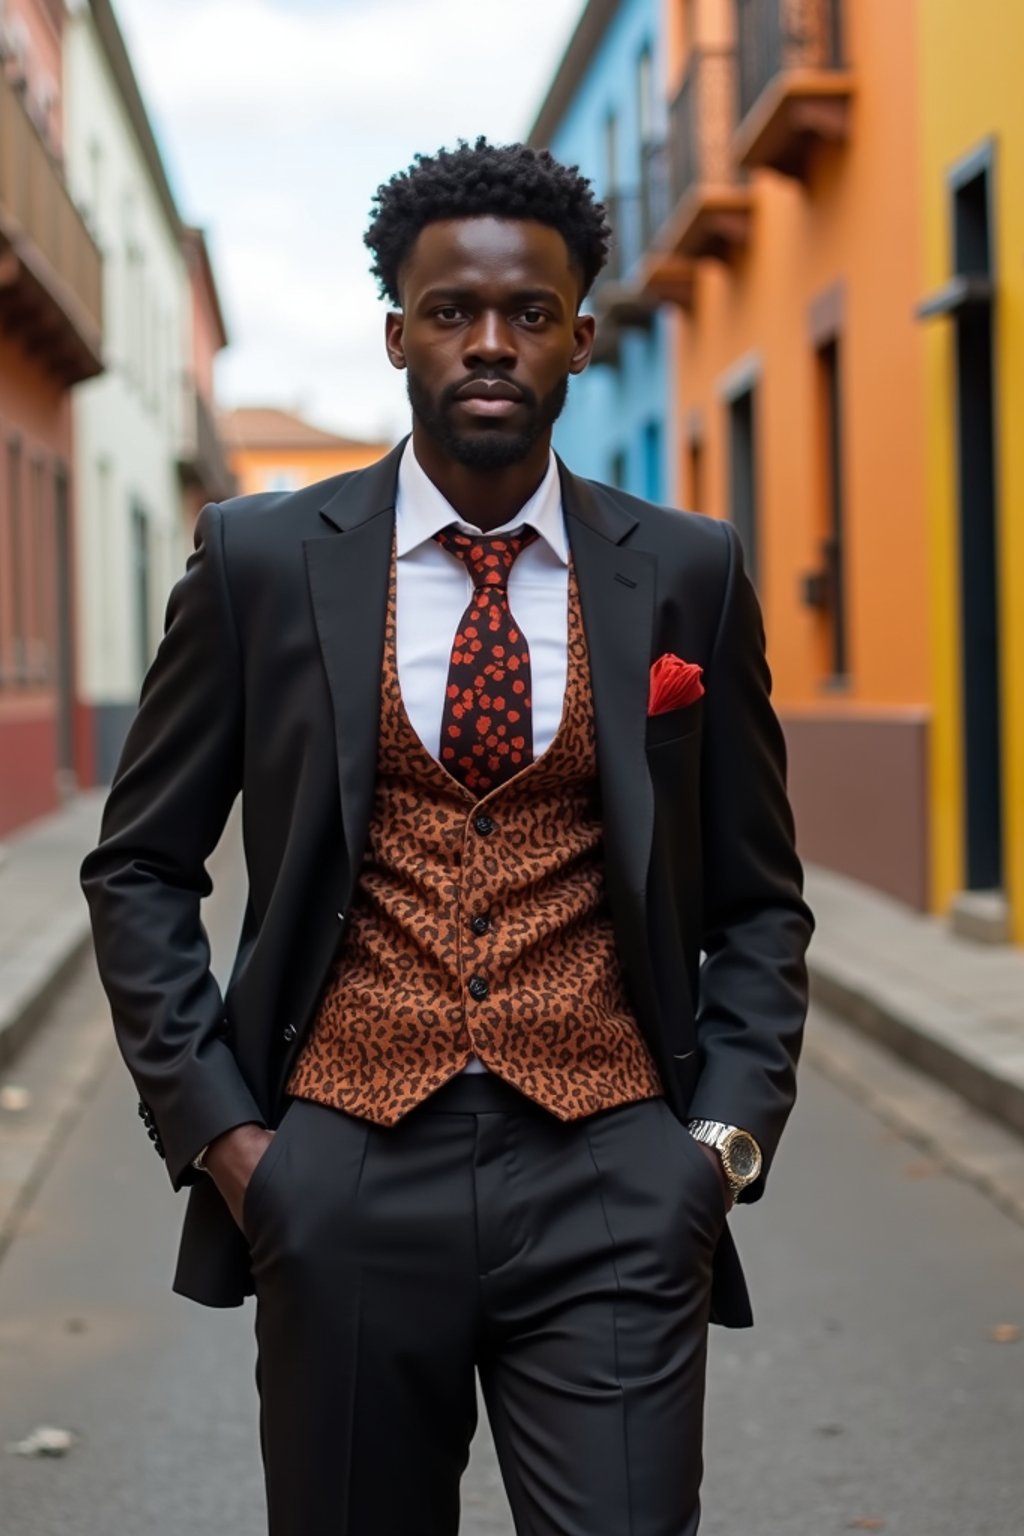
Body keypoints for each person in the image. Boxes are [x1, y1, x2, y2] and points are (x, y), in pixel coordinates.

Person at [82, 138, 813, 1536]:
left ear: (580, 337)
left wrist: (715, 1147)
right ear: (397, 332)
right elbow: (139, 867)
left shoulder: (689, 573)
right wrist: (235, 1146)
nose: (490, 344)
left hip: (612, 1170)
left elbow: (760, 899)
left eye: (529, 315)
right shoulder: (259, 561)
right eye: (452, 313)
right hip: (341, 1169)